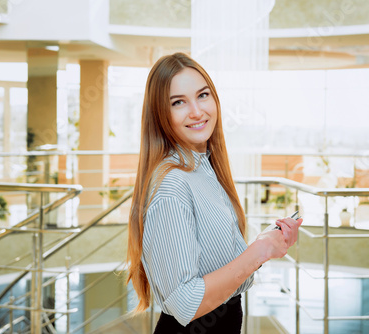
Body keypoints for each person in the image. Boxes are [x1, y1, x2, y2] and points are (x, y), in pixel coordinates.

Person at [126, 52, 302, 333]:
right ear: (161, 115)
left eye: (203, 95)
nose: (196, 111)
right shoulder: (173, 186)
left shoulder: (205, 169)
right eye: (178, 102)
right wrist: (257, 252)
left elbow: (222, 269)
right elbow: (186, 304)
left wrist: (266, 244)